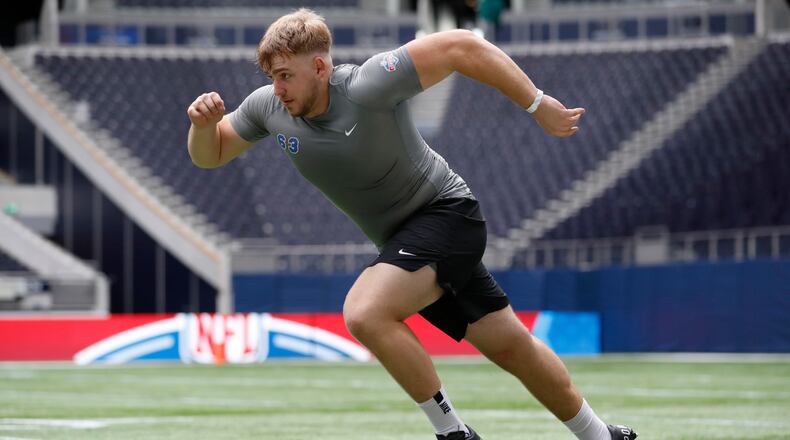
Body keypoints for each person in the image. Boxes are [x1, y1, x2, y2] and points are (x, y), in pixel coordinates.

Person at [186, 8, 637, 440]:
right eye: (272, 78)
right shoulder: (269, 107)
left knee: (365, 312)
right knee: (510, 346)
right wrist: (203, 126)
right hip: (408, 242)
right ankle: (600, 435)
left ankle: (453, 432)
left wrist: (537, 104)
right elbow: (212, 154)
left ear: (320, 67)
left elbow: (462, 46)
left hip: (447, 214)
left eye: (285, 76)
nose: (277, 89)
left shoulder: (368, 85)